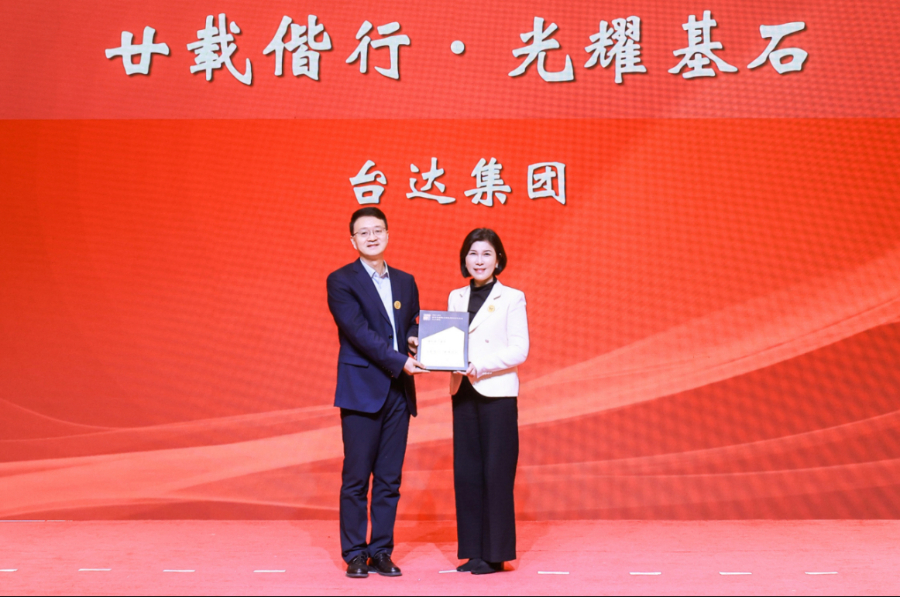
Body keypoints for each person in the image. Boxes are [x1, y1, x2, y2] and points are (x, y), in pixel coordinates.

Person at [326, 207, 428, 579]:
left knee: (389, 479)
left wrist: (415, 340)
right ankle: (355, 553)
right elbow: (358, 333)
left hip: (399, 392)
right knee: (356, 478)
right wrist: (400, 360)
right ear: (352, 240)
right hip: (361, 391)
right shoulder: (341, 280)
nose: (372, 237)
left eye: (378, 230)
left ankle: (381, 550)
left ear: (388, 234)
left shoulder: (405, 281)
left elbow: (412, 322)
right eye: (364, 232)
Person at [448, 228, 529, 575]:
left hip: (497, 393)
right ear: (464, 259)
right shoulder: (455, 296)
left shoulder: (512, 297)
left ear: (498, 260)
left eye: (486, 254)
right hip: (463, 392)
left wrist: (479, 366)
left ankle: (496, 554)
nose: (479, 261)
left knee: (496, 472)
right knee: (467, 473)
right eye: (473, 253)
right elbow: (449, 342)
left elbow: (519, 349)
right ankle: (472, 551)